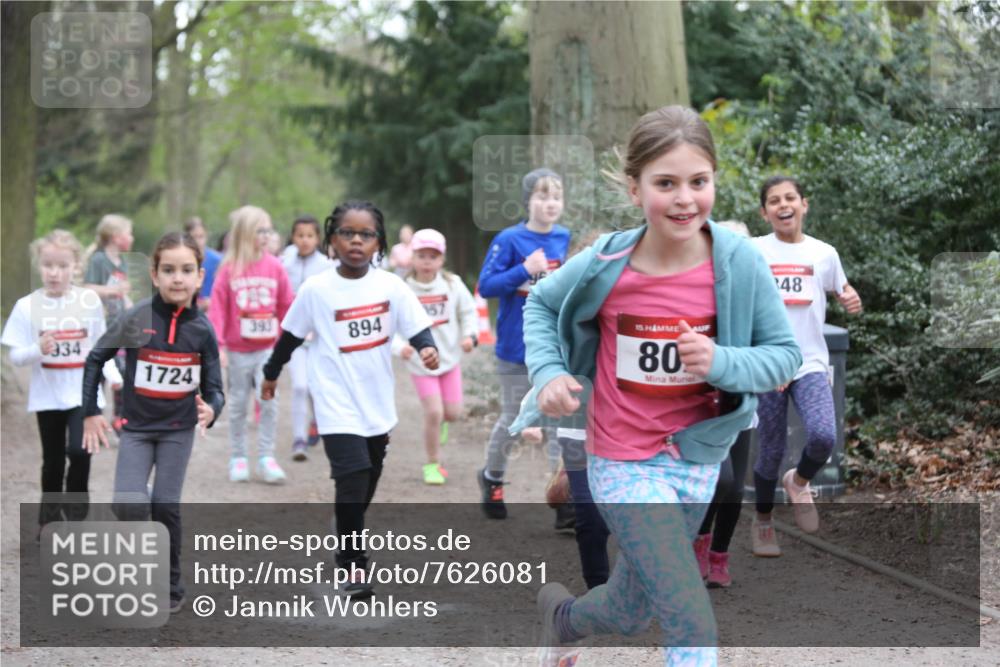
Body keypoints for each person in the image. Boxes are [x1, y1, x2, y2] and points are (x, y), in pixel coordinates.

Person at [509, 105, 801, 666]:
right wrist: (548, 373)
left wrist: (720, 361)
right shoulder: (608, 261)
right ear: (635, 186)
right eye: (666, 183)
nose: (685, 198)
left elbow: (783, 358)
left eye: (699, 181)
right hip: (622, 458)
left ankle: (564, 621)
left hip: (696, 458)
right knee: (689, 613)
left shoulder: (740, 263)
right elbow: (542, 305)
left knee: (629, 607)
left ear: (715, 179)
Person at [261, 201, 438, 597]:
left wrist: (426, 348)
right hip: (334, 400)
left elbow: (416, 326)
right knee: (353, 477)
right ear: (332, 240)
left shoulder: (390, 285)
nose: (356, 240)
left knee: (368, 477)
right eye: (347, 233)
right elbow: (290, 336)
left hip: (375, 402)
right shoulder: (317, 289)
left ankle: (346, 525)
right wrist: (271, 373)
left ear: (379, 243)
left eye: (366, 234)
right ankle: (353, 565)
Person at [82, 231, 225, 614]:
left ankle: (171, 584)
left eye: (186, 270)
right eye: (169, 270)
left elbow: (215, 390)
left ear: (199, 277)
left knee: (165, 505)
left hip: (177, 431)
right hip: (138, 429)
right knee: (129, 505)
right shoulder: (137, 317)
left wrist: (212, 410)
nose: (177, 278)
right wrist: (91, 411)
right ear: (154, 274)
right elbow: (96, 358)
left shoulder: (202, 330)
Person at [750, 176, 862, 555]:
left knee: (823, 436)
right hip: (768, 363)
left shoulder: (824, 253)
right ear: (764, 212)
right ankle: (763, 522)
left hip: (810, 361)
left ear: (803, 204)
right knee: (769, 449)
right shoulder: (753, 252)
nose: (784, 205)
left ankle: (798, 482)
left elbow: (840, 288)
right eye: (774, 200)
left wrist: (850, 300)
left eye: (790, 198)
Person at [2, 230, 122, 529]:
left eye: (62, 266)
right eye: (48, 265)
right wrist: (36, 349)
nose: (54, 273)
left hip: (84, 393)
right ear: (39, 265)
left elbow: (98, 345)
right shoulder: (27, 306)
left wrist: (114, 375)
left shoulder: (89, 301)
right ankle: (51, 522)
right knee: (53, 462)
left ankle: (77, 518)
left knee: (80, 453)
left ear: (75, 267)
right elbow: (15, 356)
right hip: (47, 396)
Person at [476, 167, 571, 523]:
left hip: (555, 348)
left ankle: (562, 499)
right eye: (543, 196)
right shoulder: (510, 239)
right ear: (528, 200)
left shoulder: (565, 238)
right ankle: (492, 478)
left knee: (558, 422)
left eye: (556, 196)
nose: (550, 203)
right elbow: (486, 287)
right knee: (513, 418)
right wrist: (523, 270)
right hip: (516, 348)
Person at [208, 205, 294, 484]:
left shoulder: (276, 266)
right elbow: (218, 308)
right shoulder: (229, 269)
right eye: (261, 230)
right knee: (237, 404)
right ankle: (238, 457)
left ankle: (267, 457)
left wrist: (290, 338)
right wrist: (218, 345)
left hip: (267, 349)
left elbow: (286, 304)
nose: (267, 235)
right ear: (246, 233)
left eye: (269, 230)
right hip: (237, 350)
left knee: (268, 400)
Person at [692, 221, 753, 588]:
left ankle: (720, 555)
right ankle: (699, 541)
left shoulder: (755, 294)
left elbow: (774, 340)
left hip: (742, 403)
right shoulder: (699, 292)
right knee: (721, 479)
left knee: (735, 488)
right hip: (704, 405)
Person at [393, 228, 478, 485]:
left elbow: (468, 311)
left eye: (433, 256)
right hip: (420, 364)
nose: (427, 261)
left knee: (452, 413)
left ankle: (442, 421)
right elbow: (389, 324)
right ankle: (432, 463)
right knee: (433, 412)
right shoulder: (403, 289)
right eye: (422, 255)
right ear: (412, 258)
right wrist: (400, 347)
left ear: (442, 259)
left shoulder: (452, 285)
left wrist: (469, 336)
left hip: (449, 359)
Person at [281, 215, 332, 461]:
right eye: (300, 235)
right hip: (294, 338)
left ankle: (316, 421)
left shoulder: (326, 266)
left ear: (317, 239)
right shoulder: (284, 262)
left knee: (315, 386)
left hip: (319, 339)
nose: (304, 240)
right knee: (300, 386)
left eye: (310, 236)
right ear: (293, 237)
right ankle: (299, 439)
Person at [83, 214, 135, 433]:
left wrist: (132, 310)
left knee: (121, 372)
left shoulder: (121, 261)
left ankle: (119, 418)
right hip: (102, 326)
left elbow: (122, 293)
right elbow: (88, 287)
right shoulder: (98, 260)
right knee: (101, 372)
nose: (132, 238)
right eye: (129, 233)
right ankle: (94, 416)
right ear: (116, 237)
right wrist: (113, 291)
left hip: (120, 326)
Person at [184, 217, 222, 311]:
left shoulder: (218, 260)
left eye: (201, 236)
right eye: (193, 237)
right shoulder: (181, 260)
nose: (197, 241)